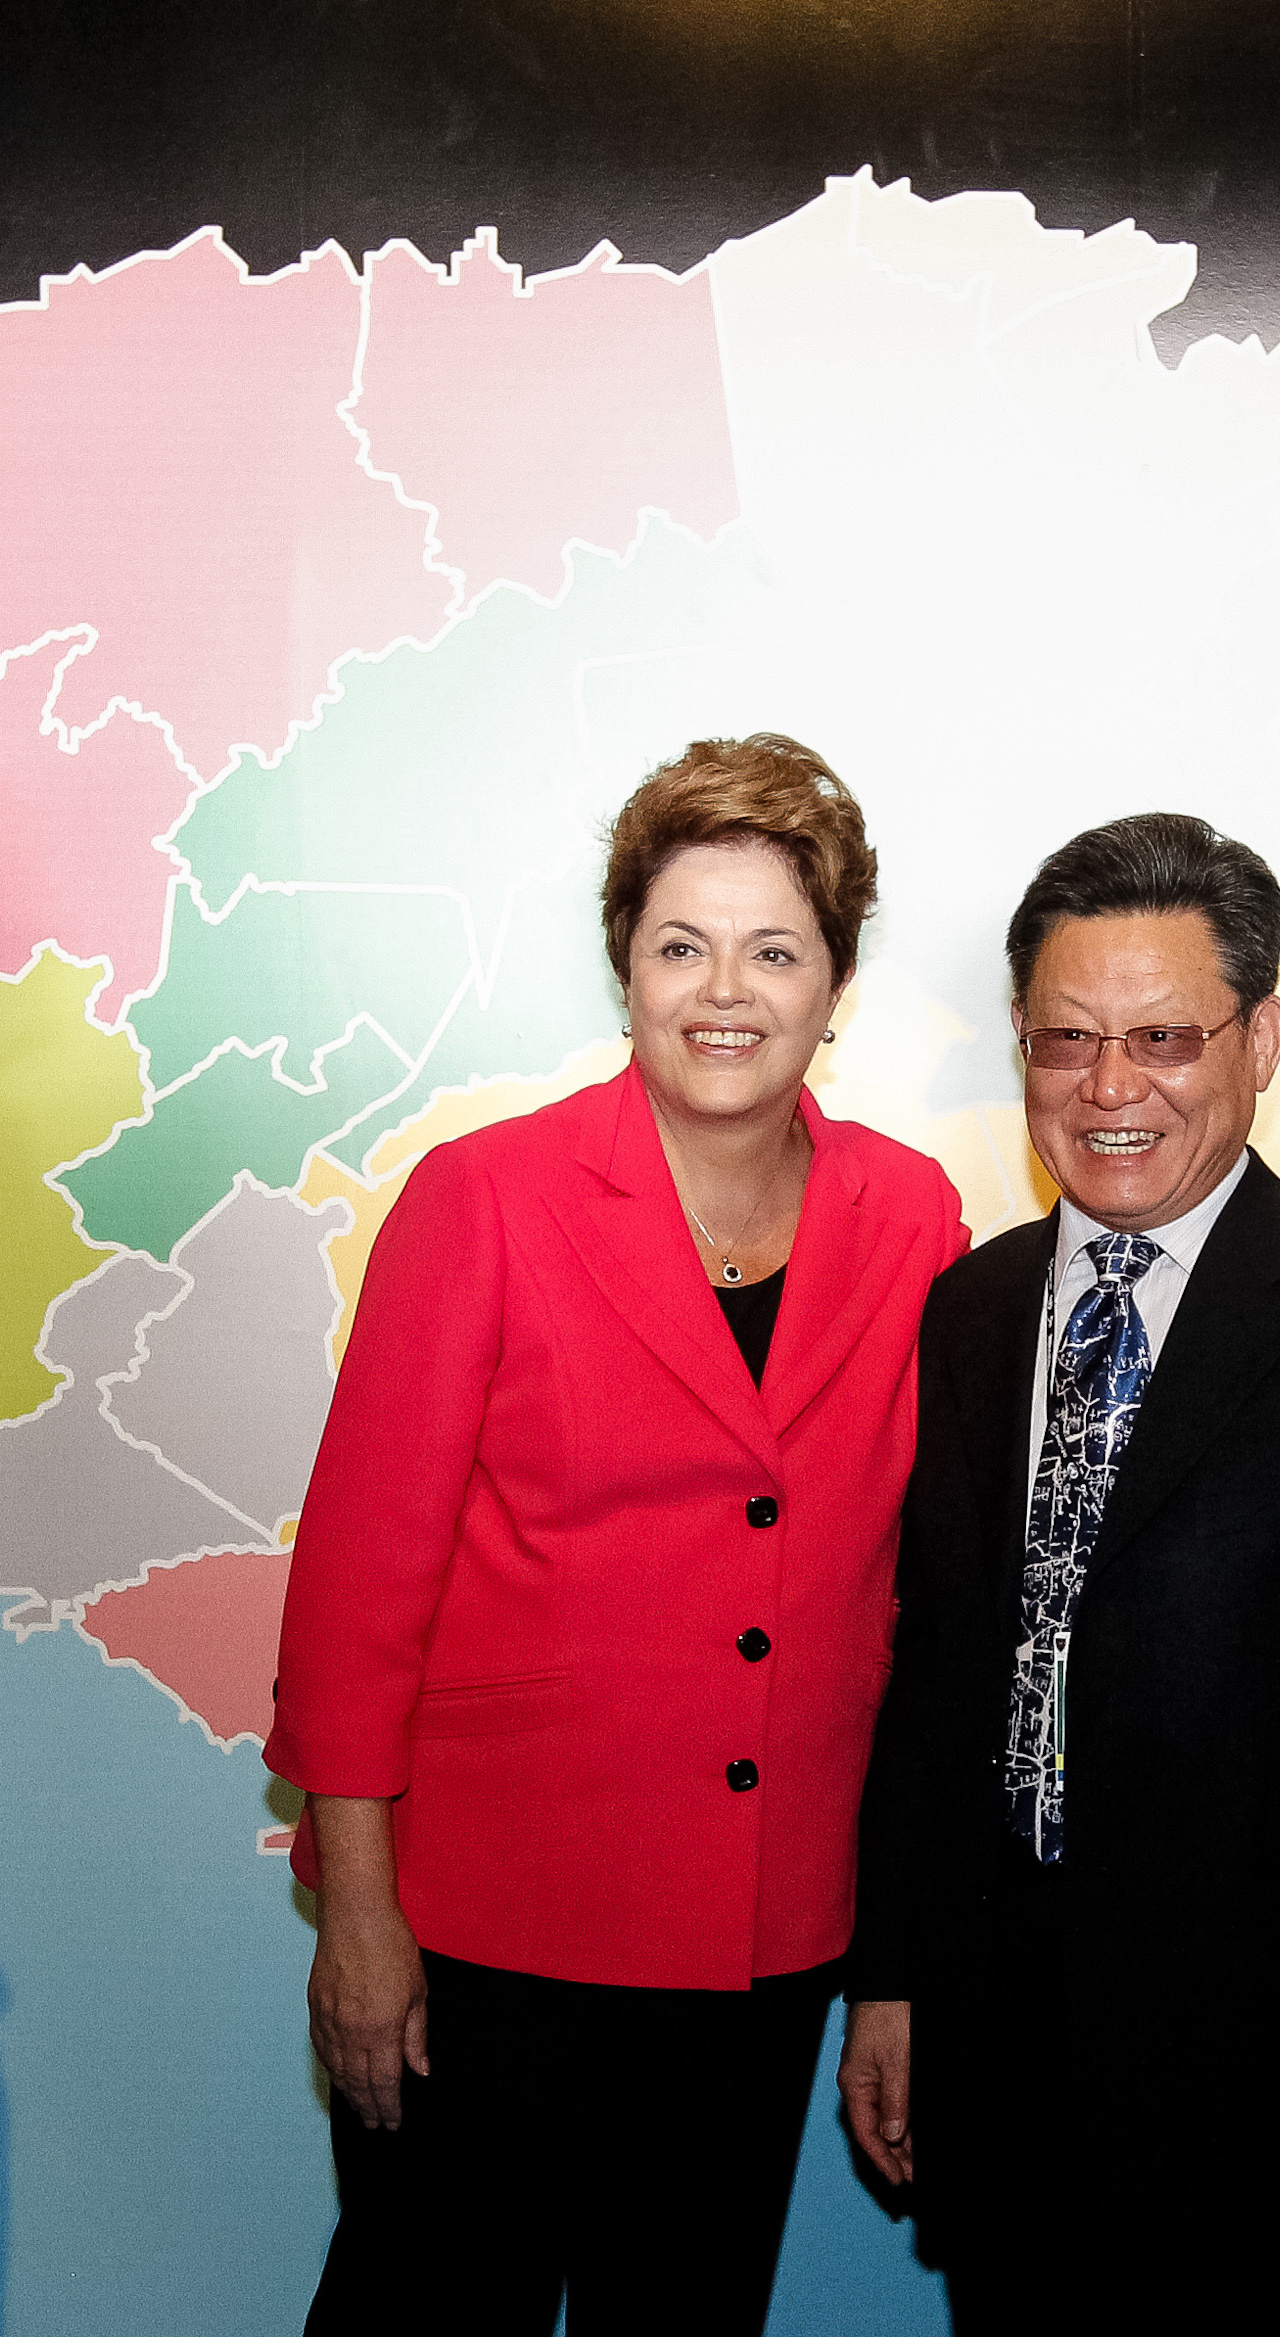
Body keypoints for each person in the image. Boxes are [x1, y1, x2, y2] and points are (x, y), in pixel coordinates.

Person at [271, 733, 968, 2334]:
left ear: (834, 981)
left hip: (766, 1927)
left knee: (686, 2317)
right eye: (680, 944)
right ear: (625, 969)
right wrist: (361, 1922)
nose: (724, 988)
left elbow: (915, 1600)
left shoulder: (913, 1215)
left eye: (774, 948)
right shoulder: (485, 1198)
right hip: (489, 1924)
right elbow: (359, 1596)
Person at [839, 813, 1280, 2332]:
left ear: (1259, 1037)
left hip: (1277, 2063)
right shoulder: (968, 1309)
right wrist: (886, 1979)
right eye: (1064, 1040)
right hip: (998, 2039)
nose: (1109, 1088)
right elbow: (943, 1669)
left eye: (1162, 1035)